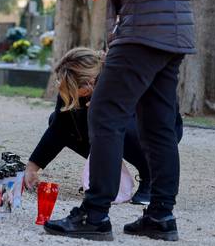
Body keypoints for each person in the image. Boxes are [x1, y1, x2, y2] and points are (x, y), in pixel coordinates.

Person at [43, 0, 204, 242]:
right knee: (158, 125)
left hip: (142, 30)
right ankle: (161, 216)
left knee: (104, 111)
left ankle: (95, 214)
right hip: (173, 32)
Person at [25, 47, 183, 205]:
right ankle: (104, 175)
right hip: (117, 126)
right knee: (61, 119)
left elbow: (149, 112)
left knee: (110, 121)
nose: (67, 93)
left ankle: (150, 177)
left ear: (90, 83)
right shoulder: (73, 88)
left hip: (157, 129)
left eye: (73, 89)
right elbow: (58, 128)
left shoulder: (123, 76)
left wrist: (99, 105)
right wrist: (32, 167)